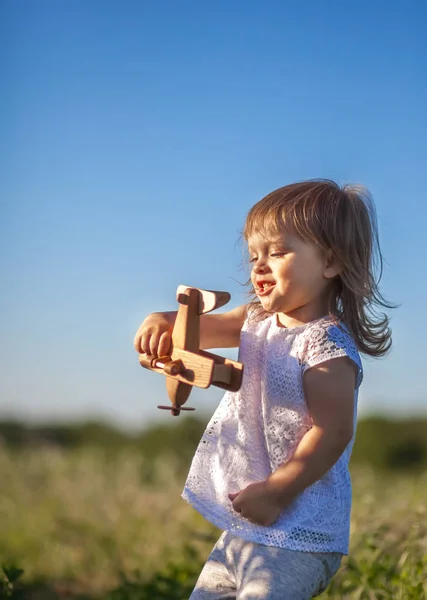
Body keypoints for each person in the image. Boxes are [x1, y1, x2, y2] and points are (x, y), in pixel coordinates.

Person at [133, 180, 393, 599]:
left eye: (277, 252)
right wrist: (158, 322)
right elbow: (194, 331)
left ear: (330, 262)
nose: (258, 266)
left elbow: (333, 432)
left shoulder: (326, 346)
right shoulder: (255, 321)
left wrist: (276, 491)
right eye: (254, 255)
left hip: (302, 529)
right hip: (250, 525)